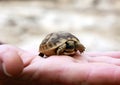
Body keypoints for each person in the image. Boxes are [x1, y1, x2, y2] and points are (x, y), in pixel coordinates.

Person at [0, 45, 120, 85]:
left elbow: (78, 46)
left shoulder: (73, 45)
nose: (72, 47)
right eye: (69, 46)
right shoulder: (62, 47)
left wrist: (80, 48)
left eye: (73, 46)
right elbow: (44, 53)